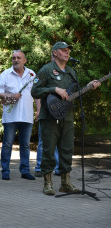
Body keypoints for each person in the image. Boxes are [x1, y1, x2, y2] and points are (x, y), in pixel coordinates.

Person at [31, 41, 101, 195]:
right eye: (63, 50)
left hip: (67, 116)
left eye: (68, 50)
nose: (67, 52)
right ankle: (47, 183)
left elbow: (73, 95)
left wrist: (89, 86)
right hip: (49, 117)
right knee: (48, 149)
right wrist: (54, 88)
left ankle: (65, 183)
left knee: (67, 149)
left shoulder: (71, 71)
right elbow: (34, 91)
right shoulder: (46, 70)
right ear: (55, 53)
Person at [0, 50, 38, 181]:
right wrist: (11, 96)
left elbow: (37, 94)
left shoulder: (31, 74)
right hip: (11, 115)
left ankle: (25, 171)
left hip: (27, 114)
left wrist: (39, 110)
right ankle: (5, 170)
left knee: (25, 144)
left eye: (19, 58)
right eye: (13, 58)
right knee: (7, 144)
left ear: (24, 60)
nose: (16, 60)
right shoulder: (6, 74)